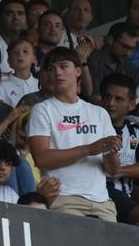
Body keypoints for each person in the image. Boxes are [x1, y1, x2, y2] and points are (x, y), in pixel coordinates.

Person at [25, 48, 120, 220]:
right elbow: (42, 158)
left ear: (78, 71)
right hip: (64, 198)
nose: (57, 72)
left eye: (63, 66)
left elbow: (112, 170)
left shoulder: (99, 113)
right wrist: (89, 149)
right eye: (52, 69)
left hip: (102, 201)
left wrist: (110, 151)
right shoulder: (42, 109)